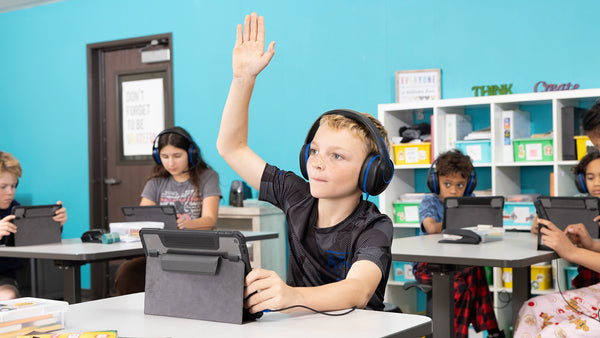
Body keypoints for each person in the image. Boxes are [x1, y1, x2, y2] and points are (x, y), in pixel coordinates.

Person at [217, 12, 394, 313]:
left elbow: (358, 291)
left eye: (336, 156)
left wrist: (292, 296)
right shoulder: (296, 195)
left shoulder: (374, 226)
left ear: (370, 173)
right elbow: (231, 147)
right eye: (314, 151)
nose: (318, 163)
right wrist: (243, 78)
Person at [114, 127, 222, 295]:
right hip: (162, 252)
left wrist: (187, 224)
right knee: (127, 273)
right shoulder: (156, 182)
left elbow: (209, 220)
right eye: (165, 157)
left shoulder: (208, 177)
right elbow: (143, 219)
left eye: (177, 156)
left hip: (196, 252)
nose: (171, 163)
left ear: (191, 153)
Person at [414, 149, 504, 338]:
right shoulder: (429, 201)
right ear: (435, 182)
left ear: (469, 185)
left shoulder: (469, 201)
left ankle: (489, 332)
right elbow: (430, 227)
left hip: (459, 263)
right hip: (428, 265)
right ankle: (489, 331)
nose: (454, 190)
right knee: (465, 280)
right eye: (447, 184)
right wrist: (456, 225)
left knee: (474, 270)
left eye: (460, 185)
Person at [0, 151, 67, 300]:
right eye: (3, 187)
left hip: (4, 278)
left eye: (13, 186)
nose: (10, 192)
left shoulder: (14, 209)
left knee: (7, 296)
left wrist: (55, 224)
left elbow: (36, 239)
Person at [530, 151, 600, 289]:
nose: (597, 183)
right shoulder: (577, 204)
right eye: (590, 178)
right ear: (581, 181)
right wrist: (539, 228)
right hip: (587, 280)